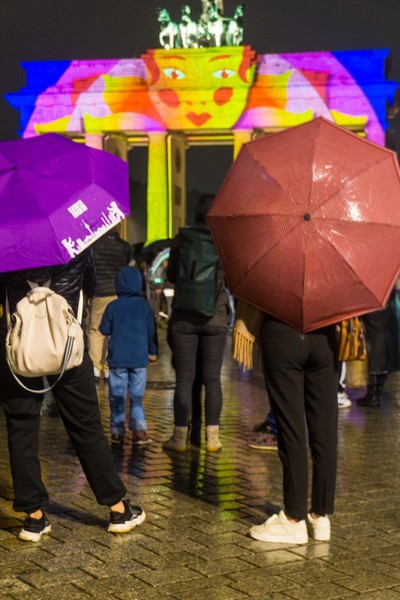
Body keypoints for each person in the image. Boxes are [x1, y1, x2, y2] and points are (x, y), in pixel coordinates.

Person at [0, 251, 145, 542]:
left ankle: (33, 518)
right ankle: (118, 510)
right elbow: (90, 285)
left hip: (19, 348)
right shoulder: (74, 245)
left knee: (21, 431)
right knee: (86, 428)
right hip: (67, 346)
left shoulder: (7, 245)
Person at [238, 307, 338, 544]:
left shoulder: (275, 277)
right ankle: (320, 515)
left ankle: (294, 518)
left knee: (290, 429)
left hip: (282, 331)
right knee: (325, 429)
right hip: (325, 333)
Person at [163, 194, 231, 452]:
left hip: (184, 318)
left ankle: (179, 437)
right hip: (216, 317)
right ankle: (213, 438)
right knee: (212, 379)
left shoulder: (182, 239)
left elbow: (171, 276)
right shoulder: (224, 241)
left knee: (184, 378)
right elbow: (232, 280)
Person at [99, 266, 158, 445]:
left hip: (117, 359)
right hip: (139, 359)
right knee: (137, 396)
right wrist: (153, 352)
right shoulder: (144, 306)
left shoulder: (113, 306)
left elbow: (104, 329)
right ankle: (139, 431)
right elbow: (152, 331)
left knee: (117, 395)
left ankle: (117, 431)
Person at [88, 227, 131, 380]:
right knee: (114, 331)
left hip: (99, 292)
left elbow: (90, 270)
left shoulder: (93, 245)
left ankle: (95, 367)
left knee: (96, 330)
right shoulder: (124, 247)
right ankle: (108, 368)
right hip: (118, 294)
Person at [357, 297, 398, 407]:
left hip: (374, 316)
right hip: (385, 317)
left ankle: (372, 395)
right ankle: (376, 393)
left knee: (374, 360)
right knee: (382, 360)